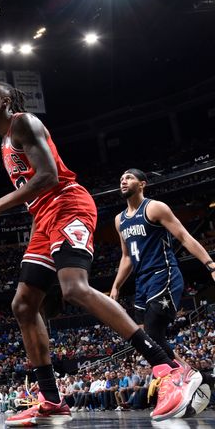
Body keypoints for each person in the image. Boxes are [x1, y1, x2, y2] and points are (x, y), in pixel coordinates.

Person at [0, 82, 199, 425]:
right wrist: (36, 238)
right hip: (44, 218)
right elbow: (34, 195)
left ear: (5, 101)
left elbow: (48, 176)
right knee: (23, 304)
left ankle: (167, 368)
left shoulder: (23, 123)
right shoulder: (4, 141)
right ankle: (50, 399)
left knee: (74, 288)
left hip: (69, 204)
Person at [110, 169, 211, 407]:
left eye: (129, 177)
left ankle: (184, 377)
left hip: (163, 274)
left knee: (154, 333)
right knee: (145, 339)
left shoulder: (154, 208)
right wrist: (115, 287)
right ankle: (197, 378)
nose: (123, 179)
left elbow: (184, 237)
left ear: (142, 184)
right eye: (121, 177)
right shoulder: (119, 220)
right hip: (141, 283)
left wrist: (210, 264)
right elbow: (126, 257)